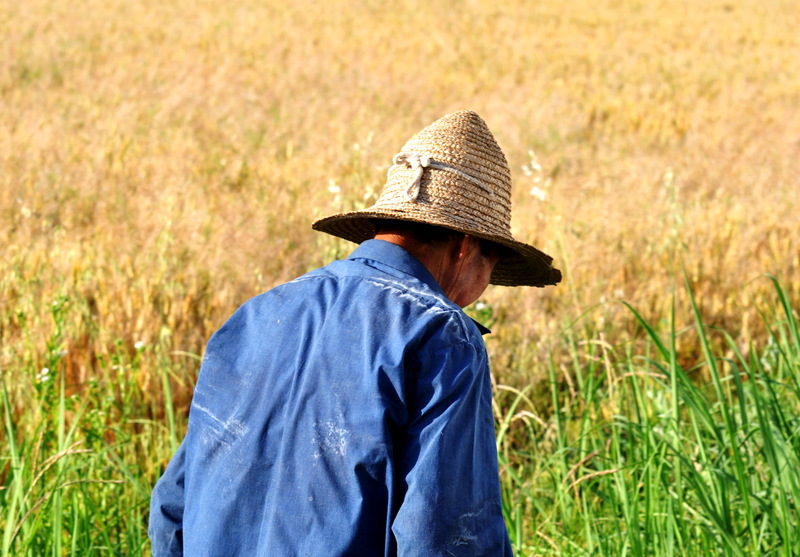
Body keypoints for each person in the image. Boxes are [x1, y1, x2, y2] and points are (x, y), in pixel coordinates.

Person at [148, 110, 561, 556]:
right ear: (465, 246)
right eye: (491, 269)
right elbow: (446, 537)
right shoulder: (442, 334)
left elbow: (172, 509)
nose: (477, 293)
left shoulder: (254, 315)